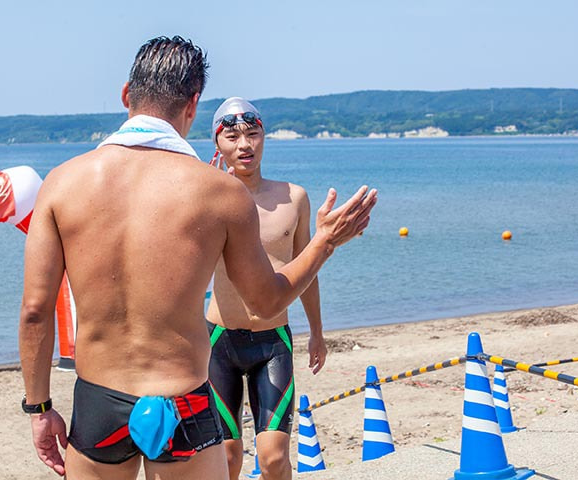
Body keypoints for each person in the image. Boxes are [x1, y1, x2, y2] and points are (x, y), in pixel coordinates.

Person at [19, 36, 377, 480]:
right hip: (182, 401)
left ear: (126, 94)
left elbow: (35, 311)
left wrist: (39, 408)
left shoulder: (61, 183)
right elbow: (266, 301)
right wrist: (324, 242)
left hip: (98, 401)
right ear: (193, 104)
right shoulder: (220, 193)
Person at [206, 97, 325, 480]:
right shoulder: (207, 200)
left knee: (273, 458)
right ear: (218, 145)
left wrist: (317, 331)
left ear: (264, 137)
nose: (245, 145)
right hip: (219, 341)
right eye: (232, 137)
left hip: (272, 341)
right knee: (227, 459)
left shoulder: (294, 198)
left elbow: (306, 269)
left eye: (253, 134)